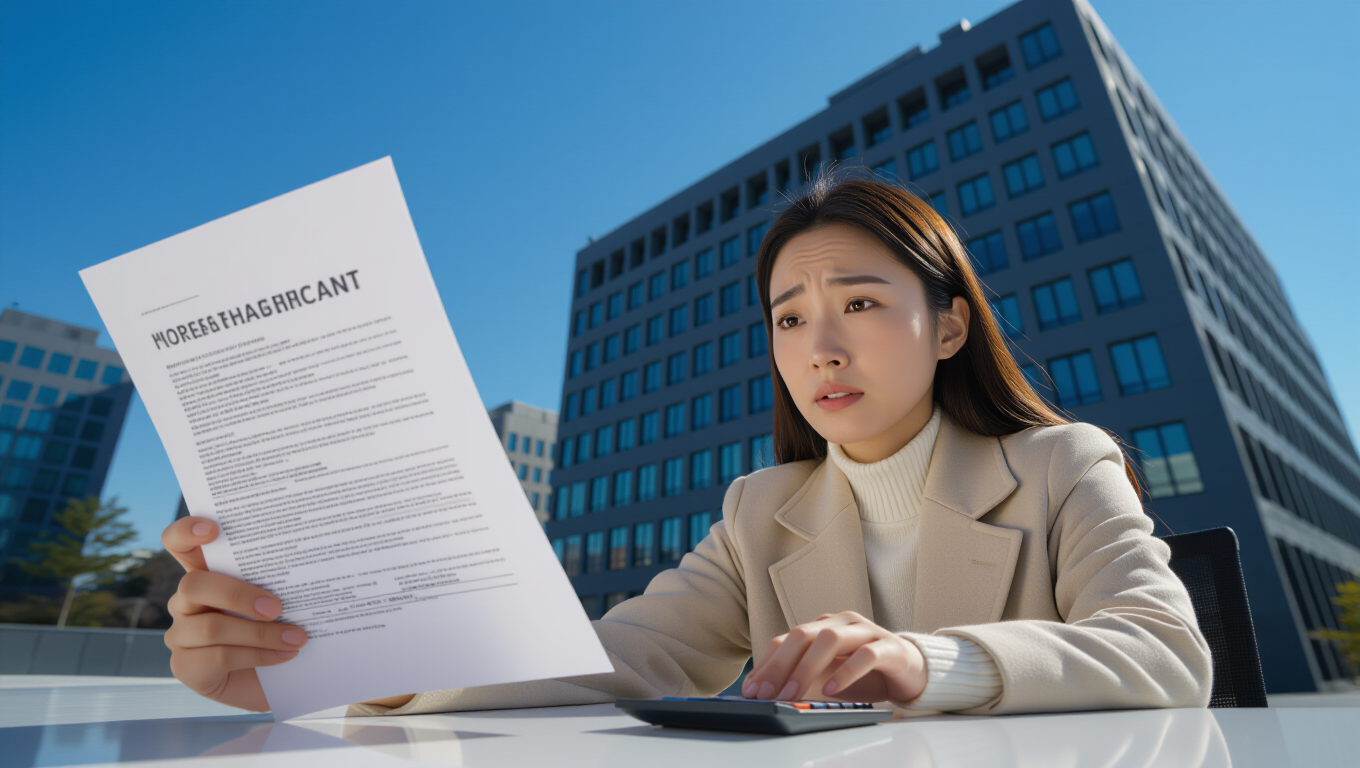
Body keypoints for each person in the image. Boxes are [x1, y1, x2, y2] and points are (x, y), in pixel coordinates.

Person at [161, 169, 1212, 718]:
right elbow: (615, 661)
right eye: (789, 317)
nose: (820, 345)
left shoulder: (1060, 462)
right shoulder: (762, 509)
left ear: (946, 326)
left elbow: (1164, 654)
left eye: (858, 301)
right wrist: (361, 670)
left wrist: (919, 663)